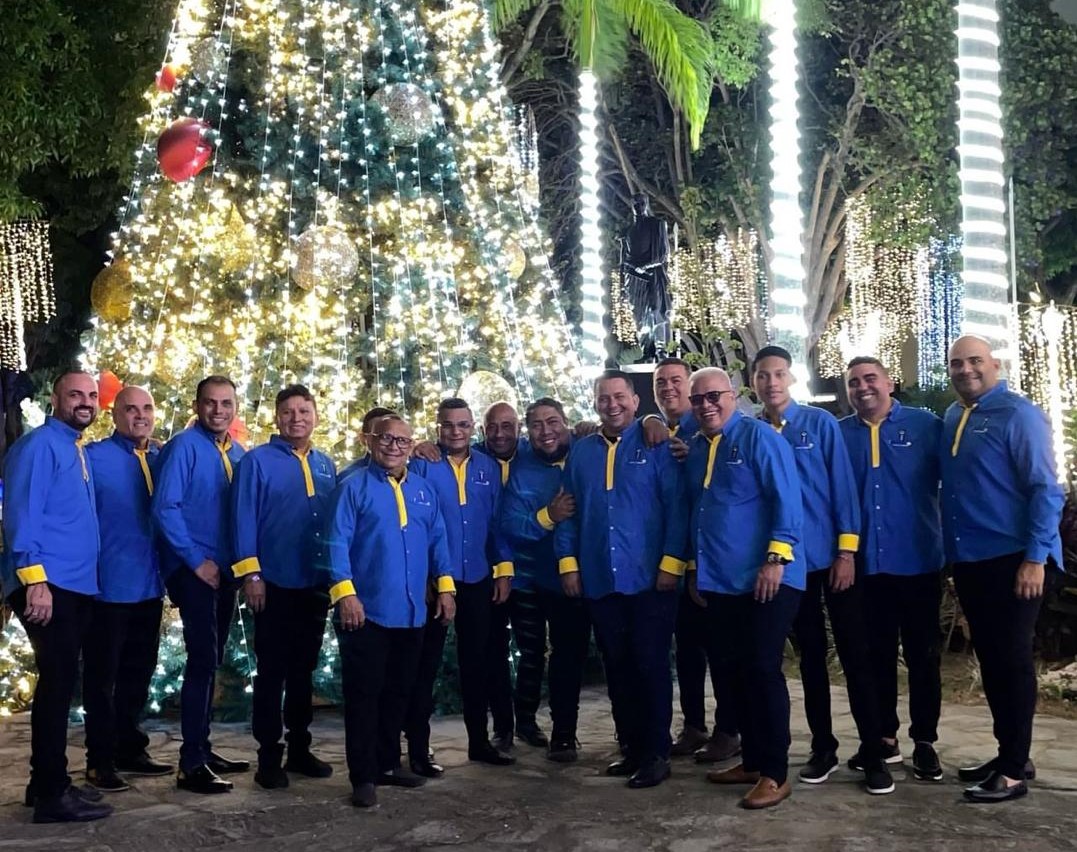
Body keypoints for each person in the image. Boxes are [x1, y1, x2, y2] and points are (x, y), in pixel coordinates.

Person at [751, 345, 892, 795]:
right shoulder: (751, 432)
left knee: (856, 655)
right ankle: (823, 746)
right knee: (809, 659)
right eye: (762, 376)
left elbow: (843, 490)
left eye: (779, 374)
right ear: (753, 383)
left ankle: (874, 751)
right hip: (790, 568)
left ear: (792, 379)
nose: (771, 383)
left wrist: (847, 552)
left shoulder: (820, 424)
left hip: (833, 561)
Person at [941, 335, 1064, 802]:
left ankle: (1013, 771)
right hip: (972, 560)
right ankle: (1012, 751)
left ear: (994, 364)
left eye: (975, 361)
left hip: (1016, 560)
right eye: (957, 363)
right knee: (992, 662)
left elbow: (1046, 490)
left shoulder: (1019, 415)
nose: (966, 369)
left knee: (1011, 662)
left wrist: (1035, 558)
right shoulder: (955, 416)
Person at [554, 369, 688, 789]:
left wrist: (671, 563)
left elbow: (677, 507)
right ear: (595, 403)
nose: (611, 405)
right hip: (599, 578)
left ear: (635, 401)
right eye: (603, 398)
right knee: (618, 667)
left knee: (650, 665)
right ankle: (630, 747)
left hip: (650, 579)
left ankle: (656, 752)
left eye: (619, 397)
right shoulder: (582, 452)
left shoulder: (656, 444)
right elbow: (567, 512)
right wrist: (569, 565)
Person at [684, 368, 803, 809]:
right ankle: (752, 760)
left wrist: (775, 558)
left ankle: (775, 773)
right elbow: (698, 513)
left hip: (770, 578)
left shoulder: (758, 437)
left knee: (761, 669)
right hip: (721, 581)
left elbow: (787, 500)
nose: (705, 405)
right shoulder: (698, 448)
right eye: (697, 399)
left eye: (714, 395)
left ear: (734, 396)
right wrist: (696, 569)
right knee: (733, 672)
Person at [326, 414, 457, 807]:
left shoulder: (422, 490)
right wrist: (346, 595)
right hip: (365, 612)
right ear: (369, 440)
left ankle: (388, 763)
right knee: (365, 696)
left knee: (400, 691)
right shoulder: (352, 487)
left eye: (403, 441)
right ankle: (363, 776)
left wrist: (446, 587)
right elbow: (335, 542)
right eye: (386, 439)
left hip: (413, 610)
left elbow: (438, 540)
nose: (394, 447)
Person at [1, 371, 112, 823]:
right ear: (55, 399)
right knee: (56, 686)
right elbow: (20, 514)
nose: (85, 402)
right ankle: (50, 794)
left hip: (75, 584)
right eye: (75, 395)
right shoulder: (39, 446)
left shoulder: (71, 446)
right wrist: (35, 581)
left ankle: (46, 782)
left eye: (91, 396)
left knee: (62, 686)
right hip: (51, 585)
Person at [839, 357, 945, 782]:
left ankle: (925, 742)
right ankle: (884, 737)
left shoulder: (925, 426)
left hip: (918, 560)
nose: (863, 387)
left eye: (870, 379)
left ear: (889, 382)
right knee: (875, 655)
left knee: (924, 656)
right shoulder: (840, 433)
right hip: (867, 565)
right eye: (854, 382)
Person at [231, 384, 337, 789]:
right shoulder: (257, 462)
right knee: (272, 673)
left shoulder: (326, 464)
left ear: (315, 415)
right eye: (289, 412)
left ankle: (299, 749)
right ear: (277, 418)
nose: (297, 418)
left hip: (313, 584)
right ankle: (268, 757)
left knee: (303, 672)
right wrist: (251, 575)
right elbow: (242, 520)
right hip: (272, 584)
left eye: (304, 411)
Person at [406, 398, 516, 769]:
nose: (456, 432)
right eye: (448, 425)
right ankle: (418, 749)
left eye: (463, 425)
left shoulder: (486, 466)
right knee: (426, 664)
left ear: (474, 429)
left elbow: (496, 524)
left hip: (478, 579)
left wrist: (502, 569)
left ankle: (479, 742)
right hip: (437, 582)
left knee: (478, 663)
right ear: (437, 428)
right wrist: (429, 578)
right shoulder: (421, 465)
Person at [152, 375, 249, 794]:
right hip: (194, 571)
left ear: (235, 407)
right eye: (210, 403)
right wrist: (195, 561)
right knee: (202, 659)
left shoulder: (238, 453)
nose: (218, 410)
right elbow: (164, 507)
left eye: (226, 403)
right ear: (197, 405)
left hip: (225, 571)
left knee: (212, 658)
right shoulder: (183, 448)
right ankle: (191, 761)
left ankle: (203, 748)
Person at [648, 357, 740, 764]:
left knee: (720, 648)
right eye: (660, 382)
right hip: (674, 562)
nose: (669, 388)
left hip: (712, 563)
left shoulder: (710, 431)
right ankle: (694, 725)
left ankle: (728, 729)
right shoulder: (653, 431)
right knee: (686, 650)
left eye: (676, 381)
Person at [82, 386, 172, 794]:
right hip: (107, 588)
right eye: (130, 408)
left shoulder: (162, 457)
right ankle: (98, 761)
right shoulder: (94, 458)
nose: (140, 415)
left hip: (150, 587)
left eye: (147, 408)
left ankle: (129, 747)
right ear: (114, 414)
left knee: (139, 673)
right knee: (102, 679)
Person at [500, 397, 591, 762]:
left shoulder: (588, 449)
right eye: (536, 425)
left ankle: (579, 732)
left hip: (588, 576)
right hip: (534, 579)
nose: (546, 431)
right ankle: (538, 726)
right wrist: (547, 515)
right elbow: (510, 525)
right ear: (527, 431)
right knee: (538, 654)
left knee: (584, 655)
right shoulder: (519, 463)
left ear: (567, 422)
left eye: (552, 422)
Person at [479, 401, 550, 750]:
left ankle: (526, 720)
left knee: (532, 650)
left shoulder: (533, 452)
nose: (499, 433)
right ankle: (501, 727)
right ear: (482, 430)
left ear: (519, 428)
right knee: (493, 653)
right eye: (492, 426)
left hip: (531, 575)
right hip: (487, 574)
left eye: (507, 426)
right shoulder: (472, 457)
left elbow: (569, 438)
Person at [338, 406, 396, 482]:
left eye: (400, 438)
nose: (393, 445)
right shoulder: (350, 478)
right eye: (383, 436)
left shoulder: (411, 474)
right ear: (364, 438)